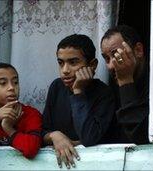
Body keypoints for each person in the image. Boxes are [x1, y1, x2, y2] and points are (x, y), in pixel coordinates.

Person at [42, 34, 116, 169]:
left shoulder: (104, 94)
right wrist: (55, 136)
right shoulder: (56, 87)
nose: (65, 70)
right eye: (61, 63)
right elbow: (42, 131)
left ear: (92, 65)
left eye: (73, 62)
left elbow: (89, 137)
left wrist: (78, 91)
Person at [100, 25, 149, 144]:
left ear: (138, 50)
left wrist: (126, 81)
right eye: (106, 58)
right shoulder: (112, 87)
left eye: (116, 55)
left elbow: (140, 137)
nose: (111, 65)